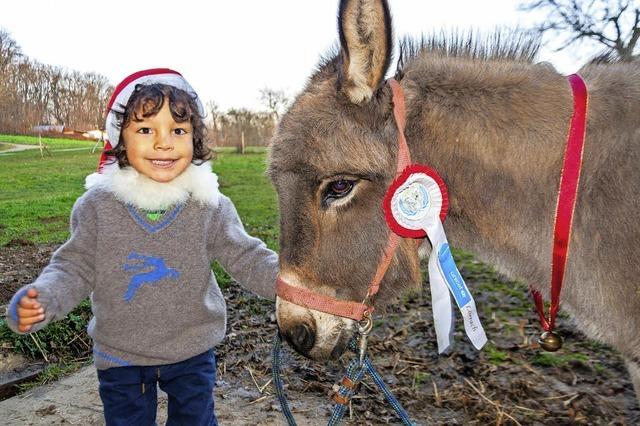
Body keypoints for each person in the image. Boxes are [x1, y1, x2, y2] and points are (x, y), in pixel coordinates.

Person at [5, 68, 279, 426]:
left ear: (195, 140)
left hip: (191, 348)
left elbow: (246, 255)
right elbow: (74, 267)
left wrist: (290, 283)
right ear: (120, 139)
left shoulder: (209, 206)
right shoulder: (97, 207)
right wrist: (43, 299)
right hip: (121, 354)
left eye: (178, 130)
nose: (163, 143)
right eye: (146, 129)